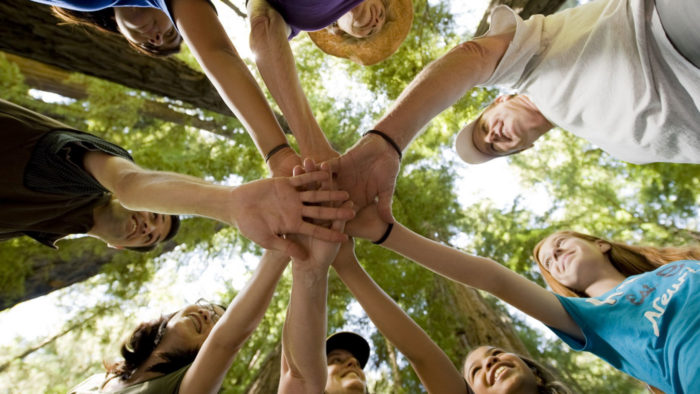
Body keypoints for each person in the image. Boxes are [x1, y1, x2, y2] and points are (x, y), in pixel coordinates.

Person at [324, 0, 700, 223]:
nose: (492, 137)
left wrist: (387, 140)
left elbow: (474, 56)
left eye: (484, 128)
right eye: (492, 147)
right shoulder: (613, 146)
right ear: (523, 149)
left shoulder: (530, 65)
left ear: (498, 101)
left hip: (670, 32)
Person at [346, 203, 700, 393]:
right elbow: (494, 278)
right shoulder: (591, 317)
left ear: (601, 244)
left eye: (560, 243)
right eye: (548, 263)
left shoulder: (680, 264)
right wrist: (384, 232)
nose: (554, 255)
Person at [1, 99, 354, 258]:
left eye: (150, 237)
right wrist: (230, 203)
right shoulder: (85, 173)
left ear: (119, 247)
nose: (148, 227)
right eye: (156, 215)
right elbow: (131, 185)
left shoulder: (48, 229)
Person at [69, 248, 291, 393]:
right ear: (171, 315)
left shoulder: (183, 387)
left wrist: (278, 249)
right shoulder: (98, 380)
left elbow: (227, 341)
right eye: (205, 307)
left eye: (216, 322)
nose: (206, 314)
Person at [247, 0, 413, 167]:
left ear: (340, 32)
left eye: (371, 32)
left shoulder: (297, 21)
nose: (376, 22)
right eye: (382, 14)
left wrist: (313, 146)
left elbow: (263, 28)